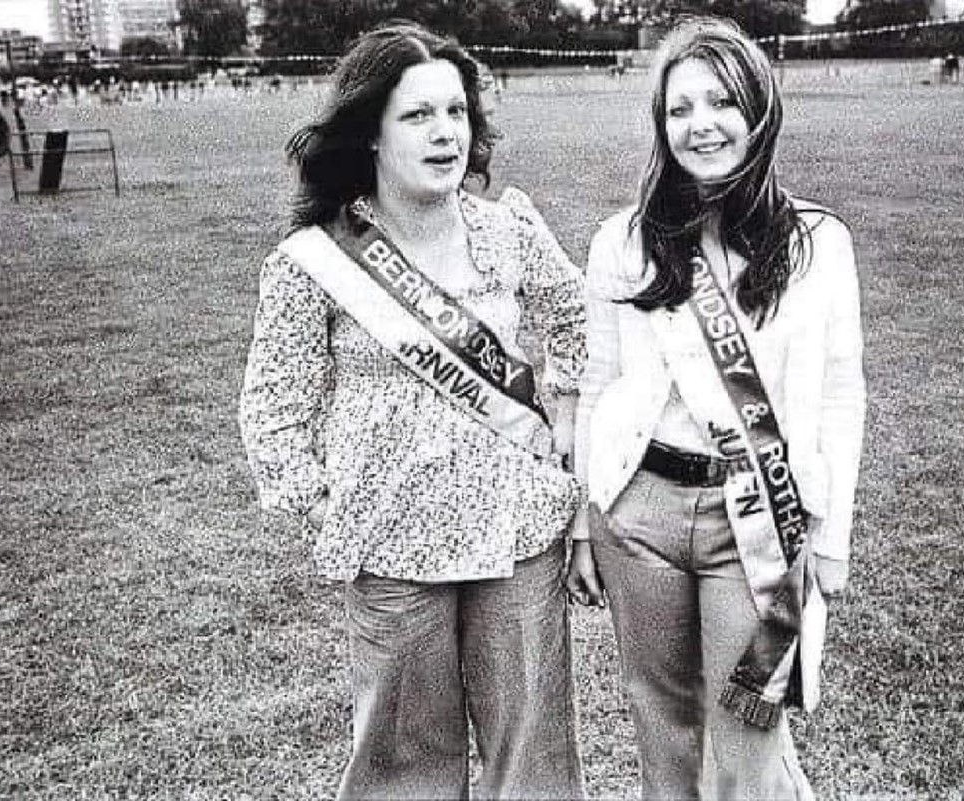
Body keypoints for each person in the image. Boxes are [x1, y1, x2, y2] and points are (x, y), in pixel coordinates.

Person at [238, 21, 587, 801]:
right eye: (418, 116)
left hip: (518, 538)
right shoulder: (316, 261)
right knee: (403, 772)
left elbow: (579, 317)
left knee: (532, 762)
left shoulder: (509, 231)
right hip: (390, 548)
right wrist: (329, 506)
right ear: (370, 133)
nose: (445, 134)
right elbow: (273, 410)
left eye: (456, 113)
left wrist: (563, 415)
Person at [566, 16, 866, 800]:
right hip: (639, 513)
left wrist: (830, 539)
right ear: (660, 126)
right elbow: (598, 383)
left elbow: (841, 394)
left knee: (748, 738)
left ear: (759, 111)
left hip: (761, 518)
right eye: (679, 109)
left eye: (721, 102)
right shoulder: (622, 242)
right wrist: (581, 522)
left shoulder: (816, 242)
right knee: (662, 728)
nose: (700, 125)